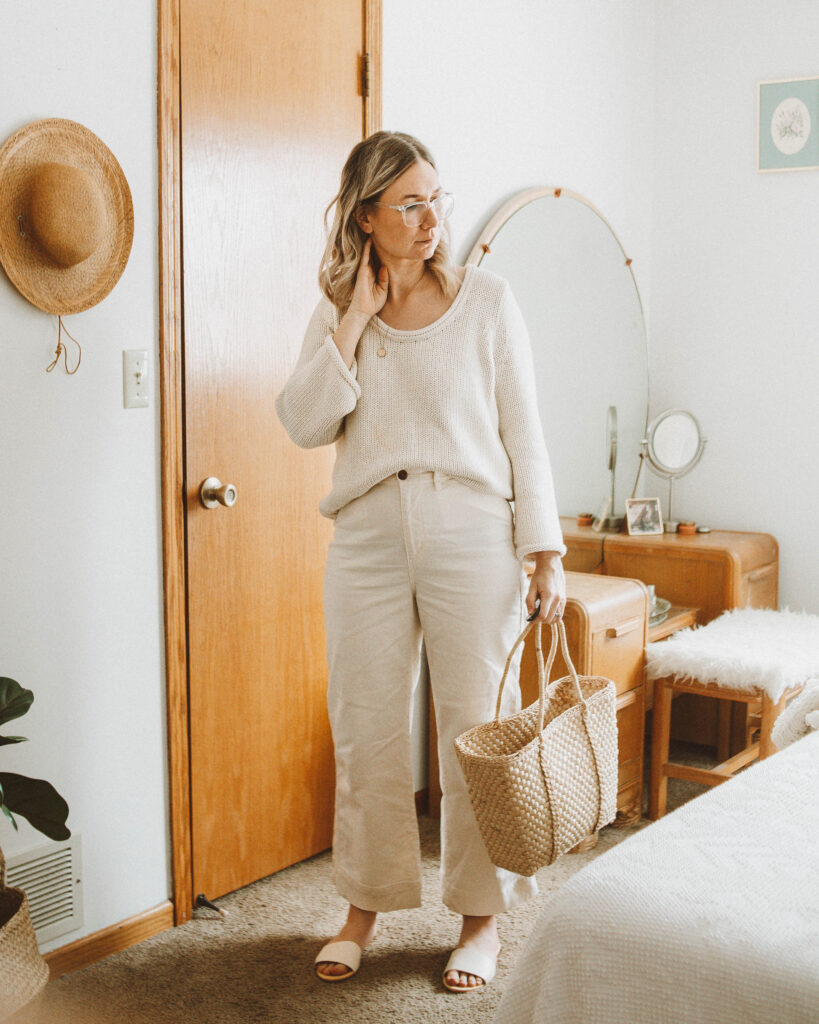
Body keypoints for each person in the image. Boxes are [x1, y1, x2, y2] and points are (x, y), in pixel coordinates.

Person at [275, 130, 566, 993]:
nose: (431, 216)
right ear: (366, 215)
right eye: (409, 203)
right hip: (366, 533)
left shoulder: (487, 299)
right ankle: (362, 908)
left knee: (476, 727)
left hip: (470, 526)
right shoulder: (338, 311)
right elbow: (302, 421)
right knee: (364, 724)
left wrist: (542, 551)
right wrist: (357, 317)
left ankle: (480, 920)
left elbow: (525, 430)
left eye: (436, 197)